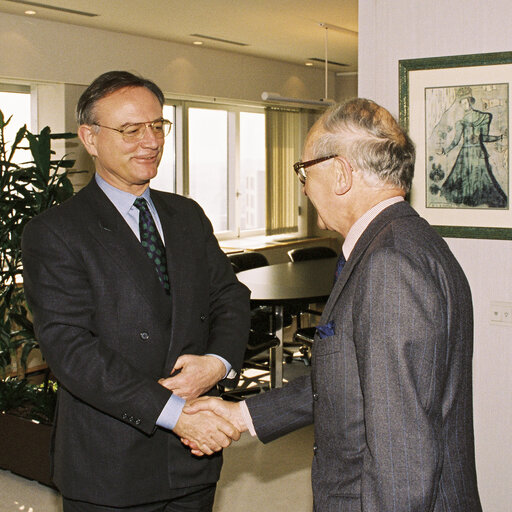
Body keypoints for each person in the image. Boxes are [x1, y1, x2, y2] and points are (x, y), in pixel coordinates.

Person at [185, 99, 483, 511]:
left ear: (341, 173)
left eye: (305, 172)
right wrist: (241, 415)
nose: (305, 187)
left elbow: (402, 458)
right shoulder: (411, 241)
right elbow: (352, 381)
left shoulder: (389, 265)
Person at [21, 71, 250, 512]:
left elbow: (230, 298)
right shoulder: (55, 232)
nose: (150, 141)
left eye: (157, 126)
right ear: (90, 138)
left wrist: (216, 364)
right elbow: (71, 350)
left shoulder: (186, 215)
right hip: (110, 465)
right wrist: (175, 413)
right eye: (130, 130)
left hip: (193, 460)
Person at [441, 86, 507, 208]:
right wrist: (446, 150)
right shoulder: (460, 123)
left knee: (480, 178)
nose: (464, 105)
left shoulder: (483, 117)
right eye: (462, 103)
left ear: (470, 101)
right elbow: (456, 141)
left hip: (477, 152)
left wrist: (499, 137)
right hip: (465, 154)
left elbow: (484, 137)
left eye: (466, 101)